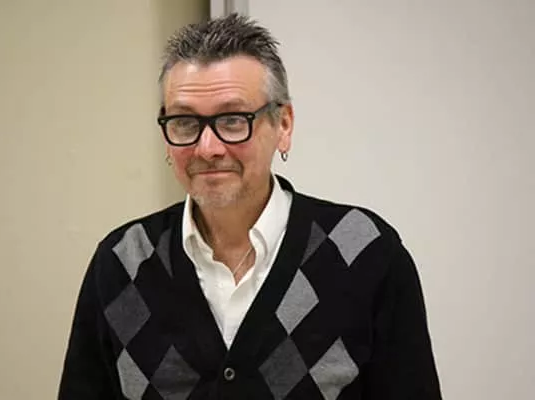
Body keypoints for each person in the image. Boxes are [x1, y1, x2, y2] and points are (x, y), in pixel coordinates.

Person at [58, 13, 442, 400]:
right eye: (185, 122)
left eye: (232, 120)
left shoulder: (363, 253)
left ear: (284, 125)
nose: (208, 148)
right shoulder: (124, 262)